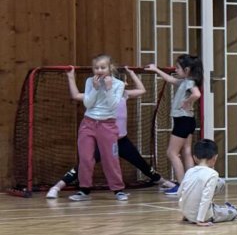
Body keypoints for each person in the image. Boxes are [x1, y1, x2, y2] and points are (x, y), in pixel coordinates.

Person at [48, 65, 161, 198]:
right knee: (85, 163)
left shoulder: (124, 94)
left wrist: (131, 73)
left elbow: (142, 90)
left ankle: (163, 182)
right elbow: (76, 95)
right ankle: (57, 186)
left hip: (122, 141)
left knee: (140, 163)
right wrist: (71, 77)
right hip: (104, 140)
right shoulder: (98, 96)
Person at [63, 55, 128, 201]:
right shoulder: (89, 81)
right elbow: (88, 104)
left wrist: (108, 89)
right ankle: (84, 190)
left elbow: (113, 105)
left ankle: (118, 189)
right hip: (88, 123)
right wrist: (95, 88)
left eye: (103, 67)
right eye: (96, 68)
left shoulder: (118, 84)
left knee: (110, 158)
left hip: (108, 125)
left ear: (110, 68)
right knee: (85, 158)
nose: (99, 70)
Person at [146, 55, 203, 196]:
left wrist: (187, 101)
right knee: (186, 152)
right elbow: (170, 79)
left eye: (178, 67)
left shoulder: (189, 83)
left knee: (171, 153)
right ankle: (190, 185)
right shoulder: (185, 81)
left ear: (187, 70)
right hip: (188, 120)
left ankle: (181, 185)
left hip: (183, 120)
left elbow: (197, 94)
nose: (175, 70)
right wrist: (156, 69)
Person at [178, 138, 237, 225]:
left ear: (194, 158)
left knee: (219, 182)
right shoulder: (213, 174)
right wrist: (200, 220)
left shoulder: (189, 171)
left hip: (187, 214)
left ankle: (213, 208)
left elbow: (180, 193)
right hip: (204, 216)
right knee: (232, 212)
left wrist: (186, 213)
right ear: (215, 158)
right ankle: (233, 210)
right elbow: (206, 198)